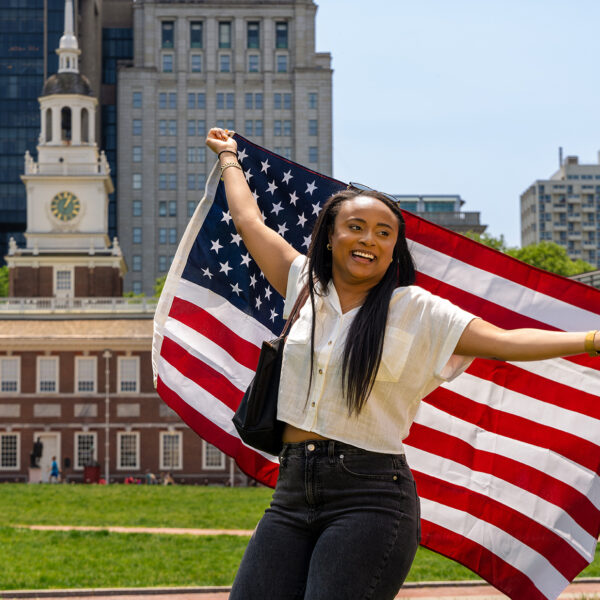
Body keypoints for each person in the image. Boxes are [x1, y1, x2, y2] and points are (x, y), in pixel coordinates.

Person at [205, 128, 600, 600]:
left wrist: (592, 339)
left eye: (383, 232)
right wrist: (230, 157)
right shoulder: (302, 284)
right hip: (290, 493)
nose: (368, 239)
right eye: (355, 227)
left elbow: (504, 340)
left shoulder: (415, 308)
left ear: (394, 248)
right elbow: (250, 222)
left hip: (370, 498)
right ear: (330, 237)